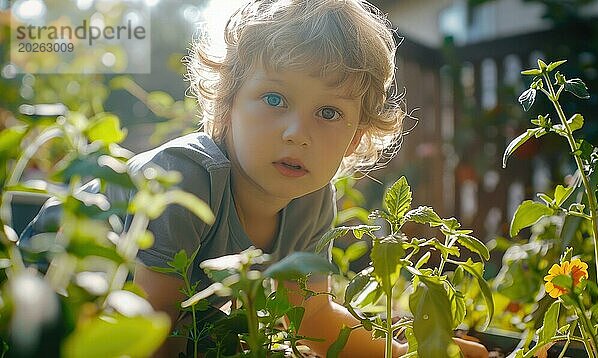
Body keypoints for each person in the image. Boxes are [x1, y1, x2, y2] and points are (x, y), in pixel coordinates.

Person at [21, 0, 488, 356]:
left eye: (328, 112)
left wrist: (410, 352)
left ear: (354, 139)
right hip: (36, 302)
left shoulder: (311, 200)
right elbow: (155, 328)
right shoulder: (187, 176)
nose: (296, 133)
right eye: (274, 99)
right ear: (227, 103)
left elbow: (313, 318)